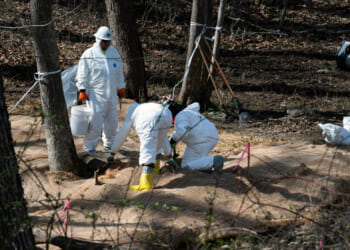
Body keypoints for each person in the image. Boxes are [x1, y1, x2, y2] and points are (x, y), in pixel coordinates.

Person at [108, 102, 183, 191]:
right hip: (166, 114)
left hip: (149, 120)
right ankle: (155, 172)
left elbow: (121, 135)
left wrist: (112, 153)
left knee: (147, 148)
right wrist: (169, 156)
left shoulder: (133, 114)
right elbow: (164, 139)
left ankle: (145, 184)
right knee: (158, 143)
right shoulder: (145, 108)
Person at [76, 26, 125, 154]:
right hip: (95, 95)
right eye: (104, 41)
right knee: (95, 121)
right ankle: (89, 148)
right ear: (97, 39)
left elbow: (119, 72)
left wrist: (121, 87)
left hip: (111, 96)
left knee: (112, 122)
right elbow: (81, 73)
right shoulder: (89, 54)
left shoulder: (114, 53)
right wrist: (82, 89)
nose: (106, 43)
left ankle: (110, 146)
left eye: (108, 41)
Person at [169, 102, 223, 173]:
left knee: (186, 165)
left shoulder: (181, 115)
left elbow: (182, 131)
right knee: (197, 160)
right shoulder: (189, 113)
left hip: (201, 140)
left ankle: (213, 161)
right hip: (208, 137)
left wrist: (172, 141)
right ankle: (207, 167)